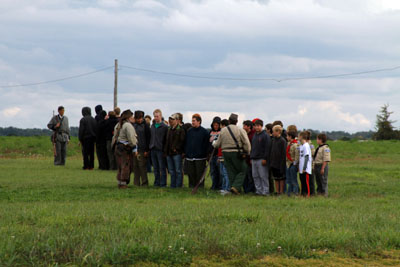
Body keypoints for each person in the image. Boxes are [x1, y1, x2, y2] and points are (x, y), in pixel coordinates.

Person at [213, 113, 251, 195]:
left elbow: (217, 144)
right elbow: (246, 143)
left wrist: (213, 143)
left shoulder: (223, 130)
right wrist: (247, 152)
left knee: (231, 171)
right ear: (237, 121)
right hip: (236, 152)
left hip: (225, 153)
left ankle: (234, 190)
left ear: (229, 120)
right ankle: (235, 187)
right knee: (243, 169)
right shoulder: (240, 130)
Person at [112, 109, 137, 189]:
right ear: (128, 117)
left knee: (120, 166)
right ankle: (123, 184)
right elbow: (131, 138)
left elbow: (114, 137)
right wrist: (134, 147)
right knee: (125, 166)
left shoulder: (118, 125)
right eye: (132, 116)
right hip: (125, 148)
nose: (133, 118)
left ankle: (120, 182)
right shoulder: (128, 125)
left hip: (118, 147)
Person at [184, 114, 209, 188]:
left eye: (194, 121)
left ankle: (200, 187)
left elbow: (206, 144)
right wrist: (186, 152)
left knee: (199, 174)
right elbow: (186, 143)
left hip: (200, 158)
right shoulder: (189, 131)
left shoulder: (204, 132)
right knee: (191, 174)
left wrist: (204, 153)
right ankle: (191, 187)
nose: (192, 122)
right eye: (192, 121)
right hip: (190, 157)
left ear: (199, 121)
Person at [250, 119, 271, 196]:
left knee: (263, 176)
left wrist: (265, 158)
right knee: (255, 176)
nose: (256, 127)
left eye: (258, 126)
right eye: (255, 126)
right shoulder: (254, 135)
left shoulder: (265, 135)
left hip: (261, 159)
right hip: (254, 158)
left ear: (261, 126)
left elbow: (267, 148)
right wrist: (251, 157)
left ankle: (265, 191)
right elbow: (252, 147)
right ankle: (258, 191)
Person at [165, 113, 186, 188]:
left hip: (177, 153)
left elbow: (182, 141)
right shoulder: (169, 129)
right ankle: (172, 185)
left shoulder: (181, 129)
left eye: (173, 119)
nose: (170, 121)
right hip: (169, 153)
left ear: (177, 120)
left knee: (178, 170)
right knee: (171, 171)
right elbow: (166, 141)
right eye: (170, 119)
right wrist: (166, 151)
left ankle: (178, 185)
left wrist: (176, 149)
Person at [150, 109, 168, 187]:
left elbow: (166, 139)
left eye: (157, 116)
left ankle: (163, 183)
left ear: (160, 116)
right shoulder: (152, 126)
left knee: (162, 167)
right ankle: (156, 182)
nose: (156, 118)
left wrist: (164, 149)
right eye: (155, 116)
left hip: (160, 149)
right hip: (153, 148)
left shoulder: (165, 127)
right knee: (155, 168)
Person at [133, 110, 151, 186]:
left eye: (141, 118)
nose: (139, 120)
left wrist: (147, 150)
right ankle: (136, 183)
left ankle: (144, 182)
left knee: (142, 167)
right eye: (138, 118)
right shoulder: (133, 125)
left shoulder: (146, 126)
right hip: (135, 149)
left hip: (143, 149)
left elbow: (148, 138)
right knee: (135, 166)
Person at [270, 125, 287, 195]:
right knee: (276, 178)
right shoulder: (273, 140)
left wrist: (282, 164)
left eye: (273, 132)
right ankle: (277, 191)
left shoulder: (282, 141)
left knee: (281, 178)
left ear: (278, 132)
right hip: (273, 162)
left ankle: (281, 191)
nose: (273, 133)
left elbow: (283, 153)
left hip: (280, 163)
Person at [242, 120, 256, 194]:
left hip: (250, 159)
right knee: (246, 175)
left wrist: (251, 157)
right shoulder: (246, 134)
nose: (243, 127)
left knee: (251, 175)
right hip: (246, 159)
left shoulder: (252, 135)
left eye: (244, 126)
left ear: (249, 127)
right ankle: (247, 190)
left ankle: (251, 190)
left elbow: (253, 148)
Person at [209, 116, 221, 190]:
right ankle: (214, 185)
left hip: (218, 155)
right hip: (211, 155)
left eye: (217, 125)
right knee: (212, 171)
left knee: (219, 172)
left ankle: (219, 185)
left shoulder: (221, 132)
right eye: (214, 125)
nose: (215, 126)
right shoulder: (210, 132)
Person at [298, 131, 313, 197]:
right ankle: (303, 193)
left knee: (306, 182)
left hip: (305, 169)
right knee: (302, 182)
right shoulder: (302, 146)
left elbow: (306, 157)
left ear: (301, 137)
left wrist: (304, 167)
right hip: (301, 168)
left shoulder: (306, 146)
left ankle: (307, 194)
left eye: (299, 136)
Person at [286, 130, 300, 196]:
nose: (286, 137)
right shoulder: (289, 144)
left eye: (287, 136)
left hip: (293, 164)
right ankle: (289, 192)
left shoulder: (295, 145)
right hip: (289, 164)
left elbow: (297, 155)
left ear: (290, 136)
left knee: (294, 180)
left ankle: (295, 192)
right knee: (289, 180)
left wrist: (295, 163)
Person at [219, 119, 230, 195]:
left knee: (226, 173)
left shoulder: (224, 133)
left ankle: (227, 188)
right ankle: (224, 188)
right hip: (221, 156)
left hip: (225, 156)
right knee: (223, 173)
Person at [306, 130, 316, 195]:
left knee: (311, 180)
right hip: (306, 166)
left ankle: (312, 193)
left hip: (310, 165)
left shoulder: (310, 145)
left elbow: (313, 153)